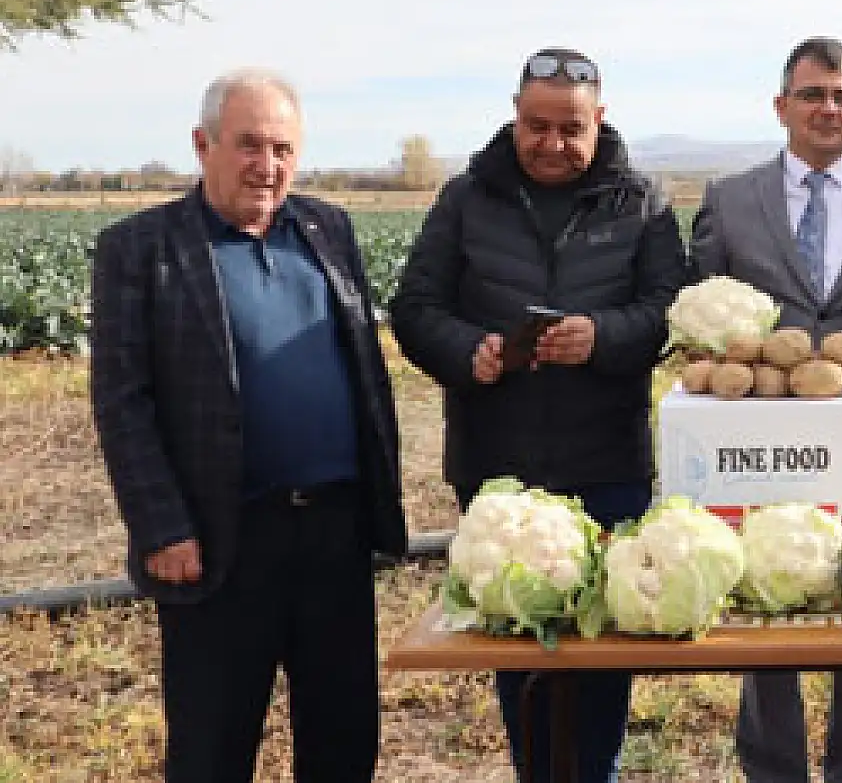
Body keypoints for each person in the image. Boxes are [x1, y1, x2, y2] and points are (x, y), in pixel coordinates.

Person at [89, 69, 408, 783]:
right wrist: (161, 526)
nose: (268, 167)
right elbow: (121, 399)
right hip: (220, 541)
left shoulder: (329, 229)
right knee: (212, 749)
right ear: (203, 145)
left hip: (335, 534)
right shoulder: (141, 249)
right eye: (249, 145)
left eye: (284, 149)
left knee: (344, 741)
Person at [389, 47, 687, 783]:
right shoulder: (466, 198)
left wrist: (603, 336)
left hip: (608, 466)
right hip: (500, 470)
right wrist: (470, 352)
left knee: (606, 649)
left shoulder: (642, 202)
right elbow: (416, 308)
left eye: (570, 128)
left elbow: (668, 313)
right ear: (514, 114)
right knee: (519, 651)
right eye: (536, 125)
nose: (552, 143)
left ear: (601, 120)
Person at [690, 36, 842, 783]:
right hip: (758, 444)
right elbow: (697, 311)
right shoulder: (729, 200)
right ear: (782, 107)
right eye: (812, 95)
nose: (828, 109)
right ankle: (773, 770)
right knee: (767, 597)